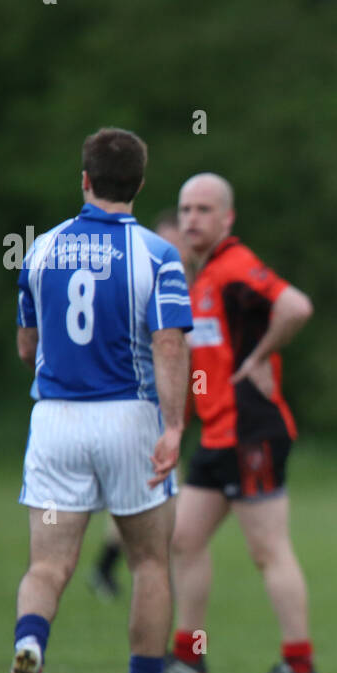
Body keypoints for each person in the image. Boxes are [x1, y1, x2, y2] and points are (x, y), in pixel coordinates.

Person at [4, 127, 194, 673]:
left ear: (84, 181)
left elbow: (26, 347)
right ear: (139, 184)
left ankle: (30, 645)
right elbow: (168, 347)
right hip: (128, 420)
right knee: (148, 562)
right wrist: (173, 428)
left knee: (47, 566)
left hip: (55, 421)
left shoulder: (40, 250)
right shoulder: (158, 256)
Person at [160, 173, 317, 673]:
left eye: (204, 209)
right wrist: (176, 427)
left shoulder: (233, 267)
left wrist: (260, 355)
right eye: (185, 210)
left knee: (268, 549)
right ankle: (190, 657)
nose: (191, 219)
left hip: (254, 431)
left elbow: (296, 306)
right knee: (183, 539)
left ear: (226, 218)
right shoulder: (197, 278)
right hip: (217, 434)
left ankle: (298, 666)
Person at [88, 207, 186, 600]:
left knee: (138, 497)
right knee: (146, 505)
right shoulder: (149, 275)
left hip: (171, 411)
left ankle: (106, 569)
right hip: (142, 410)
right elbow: (169, 344)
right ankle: (164, 638)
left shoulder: (185, 277)